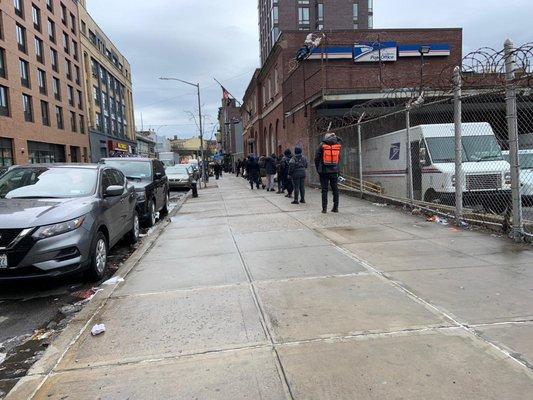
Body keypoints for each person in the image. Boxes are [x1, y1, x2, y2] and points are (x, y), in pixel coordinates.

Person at [315, 132, 342, 213]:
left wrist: (318, 169)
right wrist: (337, 170)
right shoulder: (337, 144)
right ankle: (335, 207)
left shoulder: (322, 145)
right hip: (334, 170)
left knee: (324, 190)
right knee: (335, 189)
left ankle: (324, 208)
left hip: (324, 171)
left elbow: (316, 158)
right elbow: (339, 158)